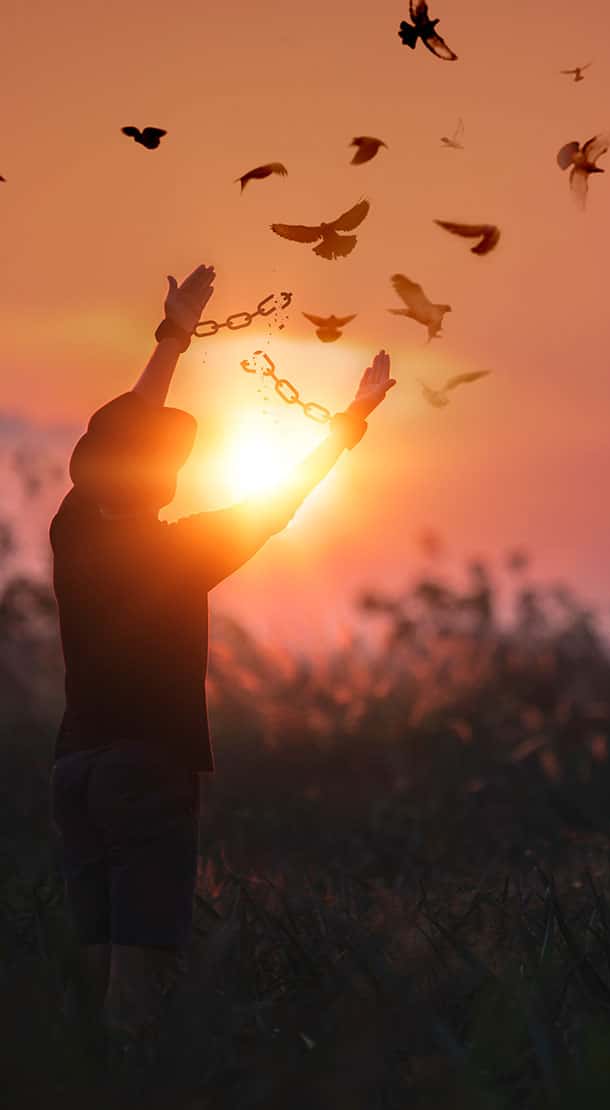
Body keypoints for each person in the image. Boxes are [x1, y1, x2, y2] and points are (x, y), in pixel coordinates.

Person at [48, 263, 396, 1056]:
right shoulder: (181, 551)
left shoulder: (71, 530)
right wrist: (351, 422)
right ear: (160, 477)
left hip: (74, 767)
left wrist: (173, 334)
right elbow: (280, 502)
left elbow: (128, 426)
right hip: (145, 770)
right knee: (139, 992)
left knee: (95, 973)